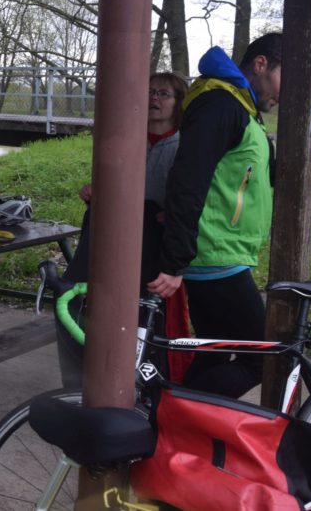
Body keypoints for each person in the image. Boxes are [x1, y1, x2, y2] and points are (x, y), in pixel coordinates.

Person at [147, 33, 311, 399]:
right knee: (263, 359)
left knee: (214, 353)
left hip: (221, 252)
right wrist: (175, 261)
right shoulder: (220, 104)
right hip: (214, 255)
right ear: (261, 64)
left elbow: (268, 172)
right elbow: (188, 179)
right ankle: (165, 415)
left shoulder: (241, 108)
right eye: (285, 78)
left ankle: (170, 421)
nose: (286, 94)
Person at [57, 72, 190, 389]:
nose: (154, 98)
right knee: (83, 300)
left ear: (178, 103)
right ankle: (84, 379)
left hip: (154, 243)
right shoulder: (128, 139)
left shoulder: (184, 146)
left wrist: (173, 213)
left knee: (145, 313)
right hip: (115, 235)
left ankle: (143, 383)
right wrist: (94, 191)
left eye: (163, 94)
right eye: (150, 92)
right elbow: (111, 184)